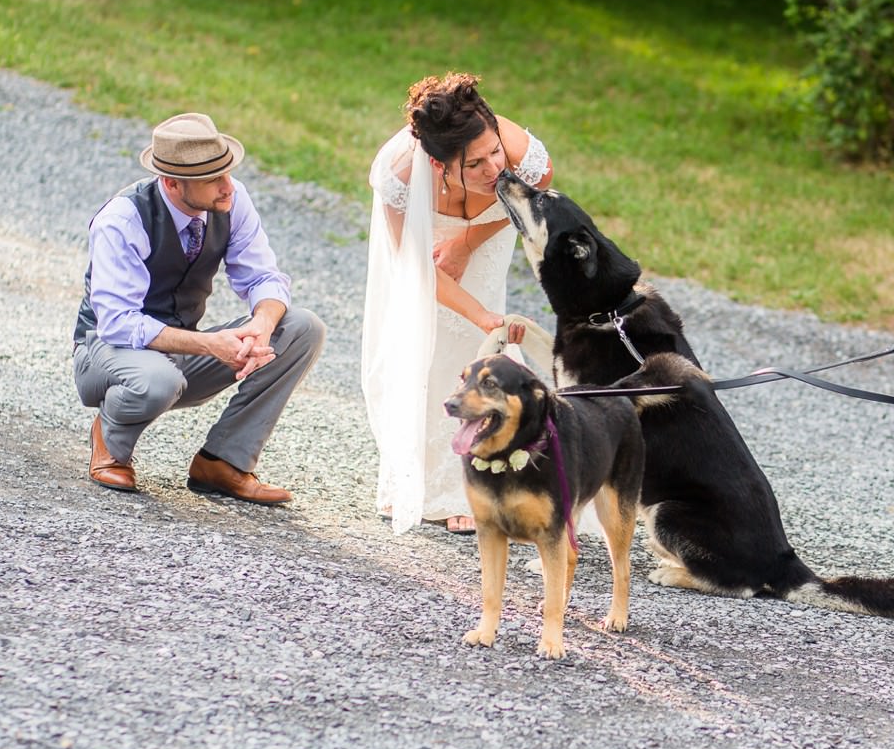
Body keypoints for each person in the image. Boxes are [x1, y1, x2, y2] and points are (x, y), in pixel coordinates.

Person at [73, 111, 326, 502]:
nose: (228, 187)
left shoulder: (230, 199)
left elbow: (264, 278)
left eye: (227, 171)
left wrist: (261, 323)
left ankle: (223, 461)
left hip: (179, 350)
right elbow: (119, 325)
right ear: (172, 183)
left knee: (301, 328)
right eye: (213, 179)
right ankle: (111, 439)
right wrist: (211, 346)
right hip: (105, 353)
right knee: (159, 380)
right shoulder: (122, 220)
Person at [361, 73, 554, 534]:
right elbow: (417, 272)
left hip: (488, 225)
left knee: (474, 343)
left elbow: (534, 199)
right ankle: (414, 479)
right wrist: (483, 316)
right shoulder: (401, 176)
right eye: (474, 165)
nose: (493, 170)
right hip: (423, 252)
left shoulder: (516, 154)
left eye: (494, 154)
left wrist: (469, 238)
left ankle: (476, 482)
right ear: (439, 164)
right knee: (423, 336)